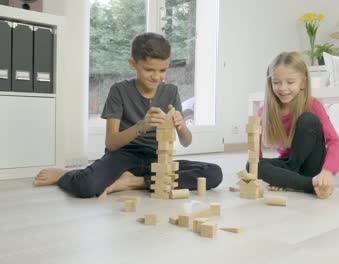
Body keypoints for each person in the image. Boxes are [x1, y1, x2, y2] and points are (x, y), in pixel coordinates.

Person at [33, 32, 223, 198]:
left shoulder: (171, 92)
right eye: (149, 70)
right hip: (122, 157)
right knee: (87, 186)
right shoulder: (119, 91)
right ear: (133, 64)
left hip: (156, 160)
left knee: (214, 173)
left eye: (162, 70)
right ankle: (65, 174)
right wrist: (141, 126)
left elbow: (186, 142)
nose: (156, 77)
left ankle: (135, 182)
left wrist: (181, 126)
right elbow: (111, 143)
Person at [255, 51, 339, 199]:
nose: (283, 88)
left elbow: (334, 142)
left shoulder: (313, 105)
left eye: (290, 82)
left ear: (302, 82)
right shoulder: (264, 111)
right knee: (253, 166)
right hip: (289, 164)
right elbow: (255, 155)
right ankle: (306, 184)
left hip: (311, 165)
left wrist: (327, 171)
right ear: (270, 83)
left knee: (308, 119)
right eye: (276, 82)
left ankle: (290, 180)